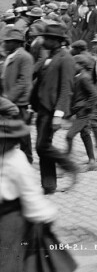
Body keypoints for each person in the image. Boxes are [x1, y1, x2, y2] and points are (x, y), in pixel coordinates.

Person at [0, 98, 61, 272]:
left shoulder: (16, 161)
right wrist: (46, 215)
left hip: (10, 223)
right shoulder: (15, 159)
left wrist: (44, 215)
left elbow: (31, 196)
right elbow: (32, 198)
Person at [30, 21, 78, 194]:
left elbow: (66, 89)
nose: (45, 40)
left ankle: (70, 165)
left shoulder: (66, 59)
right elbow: (34, 76)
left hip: (51, 110)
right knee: (43, 146)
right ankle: (48, 185)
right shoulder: (47, 56)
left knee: (42, 146)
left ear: (58, 41)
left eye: (49, 38)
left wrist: (59, 114)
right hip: (41, 108)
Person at [1, 26, 34, 162]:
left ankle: (28, 160)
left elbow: (23, 82)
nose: (5, 44)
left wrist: (8, 98)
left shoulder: (24, 57)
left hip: (19, 103)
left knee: (22, 135)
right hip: (9, 101)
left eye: (8, 41)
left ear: (16, 42)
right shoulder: (10, 56)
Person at [66, 53, 97, 171]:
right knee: (85, 135)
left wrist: (86, 108)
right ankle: (92, 162)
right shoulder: (79, 76)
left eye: (74, 64)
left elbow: (94, 94)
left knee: (69, 136)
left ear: (81, 65)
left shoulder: (84, 78)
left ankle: (66, 164)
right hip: (80, 111)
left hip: (83, 113)